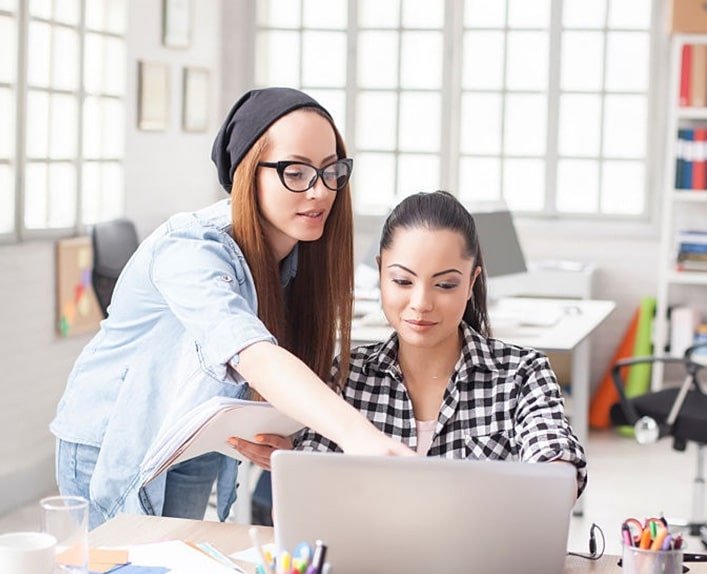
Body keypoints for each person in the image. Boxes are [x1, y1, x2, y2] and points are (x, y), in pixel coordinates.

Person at [50, 87, 413, 529]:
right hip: (114, 438)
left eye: (330, 170)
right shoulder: (191, 248)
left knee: (174, 566)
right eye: (296, 172)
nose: (320, 191)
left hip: (193, 439)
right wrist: (360, 437)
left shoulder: (300, 257)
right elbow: (253, 353)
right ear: (248, 172)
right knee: (122, 567)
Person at [233, 190, 587, 497]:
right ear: (380, 273)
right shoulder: (347, 375)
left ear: (471, 282)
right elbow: (311, 495)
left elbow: (556, 463)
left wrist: (554, 478)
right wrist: (293, 464)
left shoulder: (522, 374)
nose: (421, 303)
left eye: (445, 285)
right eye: (403, 281)